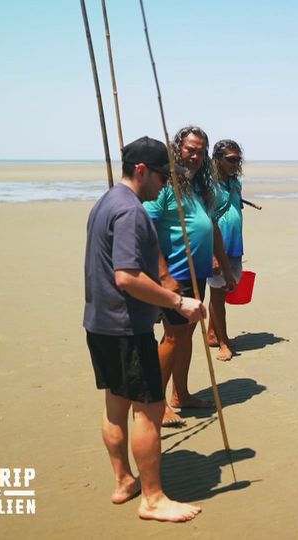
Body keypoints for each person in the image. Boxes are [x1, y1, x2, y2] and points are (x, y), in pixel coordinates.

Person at [83, 136, 204, 522]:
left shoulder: (105, 201)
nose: (166, 184)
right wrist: (177, 301)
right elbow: (127, 277)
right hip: (125, 328)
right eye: (162, 175)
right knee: (149, 411)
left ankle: (123, 481)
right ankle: (152, 499)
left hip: (99, 324)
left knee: (115, 406)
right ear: (141, 171)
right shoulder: (131, 211)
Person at [143, 126, 236, 427]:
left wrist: (222, 263)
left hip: (199, 274)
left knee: (187, 334)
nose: (196, 156)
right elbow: (148, 227)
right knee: (172, 336)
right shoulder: (167, 185)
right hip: (176, 275)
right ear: (177, 150)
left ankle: (180, 395)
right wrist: (162, 275)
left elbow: (214, 230)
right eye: (190, 150)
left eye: (201, 151)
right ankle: (155, 404)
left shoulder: (201, 187)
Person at [206, 140, 246, 362]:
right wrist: (212, 254)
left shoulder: (235, 183)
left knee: (224, 291)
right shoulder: (209, 185)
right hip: (216, 246)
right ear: (217, 159)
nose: (234, 163)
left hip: (234, 245)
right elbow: (207, 219)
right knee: (217, 295)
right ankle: (223, 343)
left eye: (237, 159)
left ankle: (213, 333)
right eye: (230, 159)